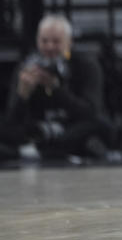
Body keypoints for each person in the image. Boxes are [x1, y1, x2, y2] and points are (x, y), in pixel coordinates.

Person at [4, 15, 111, 159]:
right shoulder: (25, 68)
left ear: (69, 43)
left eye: (56, 42)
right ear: (37, 42)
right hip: (39, 129)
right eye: (44, 41)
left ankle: (39, 152)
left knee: (100, 124)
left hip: (73, 127)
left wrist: (56, 90)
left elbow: (90, 112)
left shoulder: (86, 65)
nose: (49, 47)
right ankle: (46, 150)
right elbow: (12, 121)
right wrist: (23, 95)